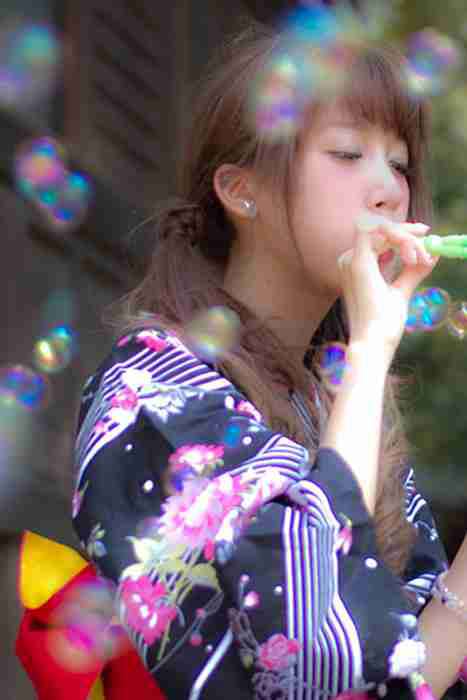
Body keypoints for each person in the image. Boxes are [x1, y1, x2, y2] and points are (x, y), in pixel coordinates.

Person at [29, 19, 467, 700]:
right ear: (241, 191)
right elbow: (310, 647)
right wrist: (372, 345)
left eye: (400, 164)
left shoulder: (339, 403)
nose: (388, 189)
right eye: (348, 153)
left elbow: (400, 681)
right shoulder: (153, 390)